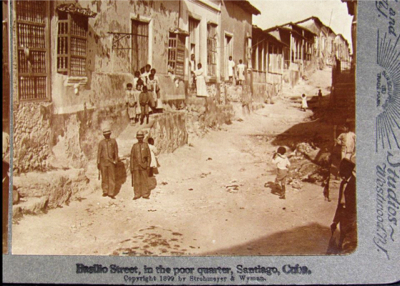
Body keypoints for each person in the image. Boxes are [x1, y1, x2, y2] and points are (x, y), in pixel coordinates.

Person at [329, 156, 356, 254]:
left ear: (349, 171)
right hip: (343, 214)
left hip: (352, 217)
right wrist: (335, 221)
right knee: (341, 236)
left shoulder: (355, 184)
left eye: (343, 172)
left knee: (348, 242)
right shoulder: (343, 183)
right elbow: (340, 204)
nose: (340, 174)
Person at [97, 123, 119, 199]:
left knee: (112, 177)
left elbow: (116, 151)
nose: (107, 135)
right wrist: (98, 162)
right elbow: (99, 153)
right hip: (103, 162)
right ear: (103, 135)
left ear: (110, 134)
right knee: (104, 177)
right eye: (105, 134)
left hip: (111, 162)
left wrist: (116, 160)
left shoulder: (113, 141)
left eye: (108, 134)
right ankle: (105, 191)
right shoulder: (101, 143)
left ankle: (111, 192)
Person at [130, 130, 151, 200]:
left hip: (144, 165)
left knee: (144, 180)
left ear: (143, 137)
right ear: (137, 138)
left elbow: (148, 156)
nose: (140, 138)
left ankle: (145, 194)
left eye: (141, 137)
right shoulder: (134, 146)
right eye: (138, 137)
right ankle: (137, 194)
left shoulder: (145, 145)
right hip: (136, 166)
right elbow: (132, 157)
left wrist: (148, 165)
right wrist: (132, 167)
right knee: (136, 181)